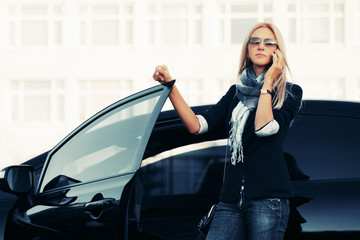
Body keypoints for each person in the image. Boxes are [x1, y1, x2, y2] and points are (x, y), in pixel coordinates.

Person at [152, 22, 302, 240]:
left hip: (268, 199)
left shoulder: (289, 93)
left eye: (269, 42)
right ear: (247, 50)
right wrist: (170, 87)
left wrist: (268, 81)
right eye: (255, 41)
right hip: (231, 199)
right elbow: (196, 125)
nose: (261, 46)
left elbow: (263, 127)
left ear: (277, 52)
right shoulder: (235, 93)